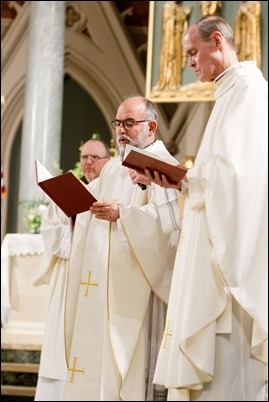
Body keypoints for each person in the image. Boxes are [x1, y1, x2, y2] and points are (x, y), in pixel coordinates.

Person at [143, 16, 268, 400]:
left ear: (217, 41)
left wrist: (187, 179)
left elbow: (242, 181)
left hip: (230, 269)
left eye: (193, 53)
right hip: (213, 250)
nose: (188, 63)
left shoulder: (249, 92)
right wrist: (186, 180)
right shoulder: (228, 92)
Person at [62, 95, 181, 401]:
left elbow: (169, 229)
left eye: (130, 122)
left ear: (151, 126)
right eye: (118, 123)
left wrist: (123, 215)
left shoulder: (161, 164)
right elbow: (92, 210)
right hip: (103, 288)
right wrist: (78, 210)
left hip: (139, 291)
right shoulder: (114, 168)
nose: (121, 130)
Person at [34, 138, 110, 401]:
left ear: (107, 161)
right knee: (60, 339)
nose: (88, 162)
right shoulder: (66, 192)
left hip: (100, 278)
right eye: (84, 157)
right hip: (68, 277)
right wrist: (73, 223)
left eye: (95, 158)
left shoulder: (112, 195)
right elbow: (50, 234)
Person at [154, 1, 191, 91]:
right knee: (170, 60)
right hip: (170, 39)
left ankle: (175, 82)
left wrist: (184, 14)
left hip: (178, 38)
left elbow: (182, 19)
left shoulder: (179, 8)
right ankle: (168, 82)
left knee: (177, 61)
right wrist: (176, 17)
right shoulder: (167, 7)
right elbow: (167, 23)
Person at [234, 1, 261, 68]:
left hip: (250, 35)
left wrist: (246, 13)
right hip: (242, 33)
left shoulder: (255, 4)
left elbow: (255, 20)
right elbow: (237, 20)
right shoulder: (241, 5)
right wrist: (240, 15)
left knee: (249, 52)